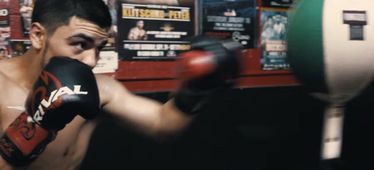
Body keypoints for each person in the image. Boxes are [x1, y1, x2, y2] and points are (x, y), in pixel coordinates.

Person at [0, 0, 241, 169]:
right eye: (81, 44)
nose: (92, 61)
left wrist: (196, 88)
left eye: (99, 48)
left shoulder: (98, 89)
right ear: (38, 36)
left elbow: (163, 124)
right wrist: (36, 124)